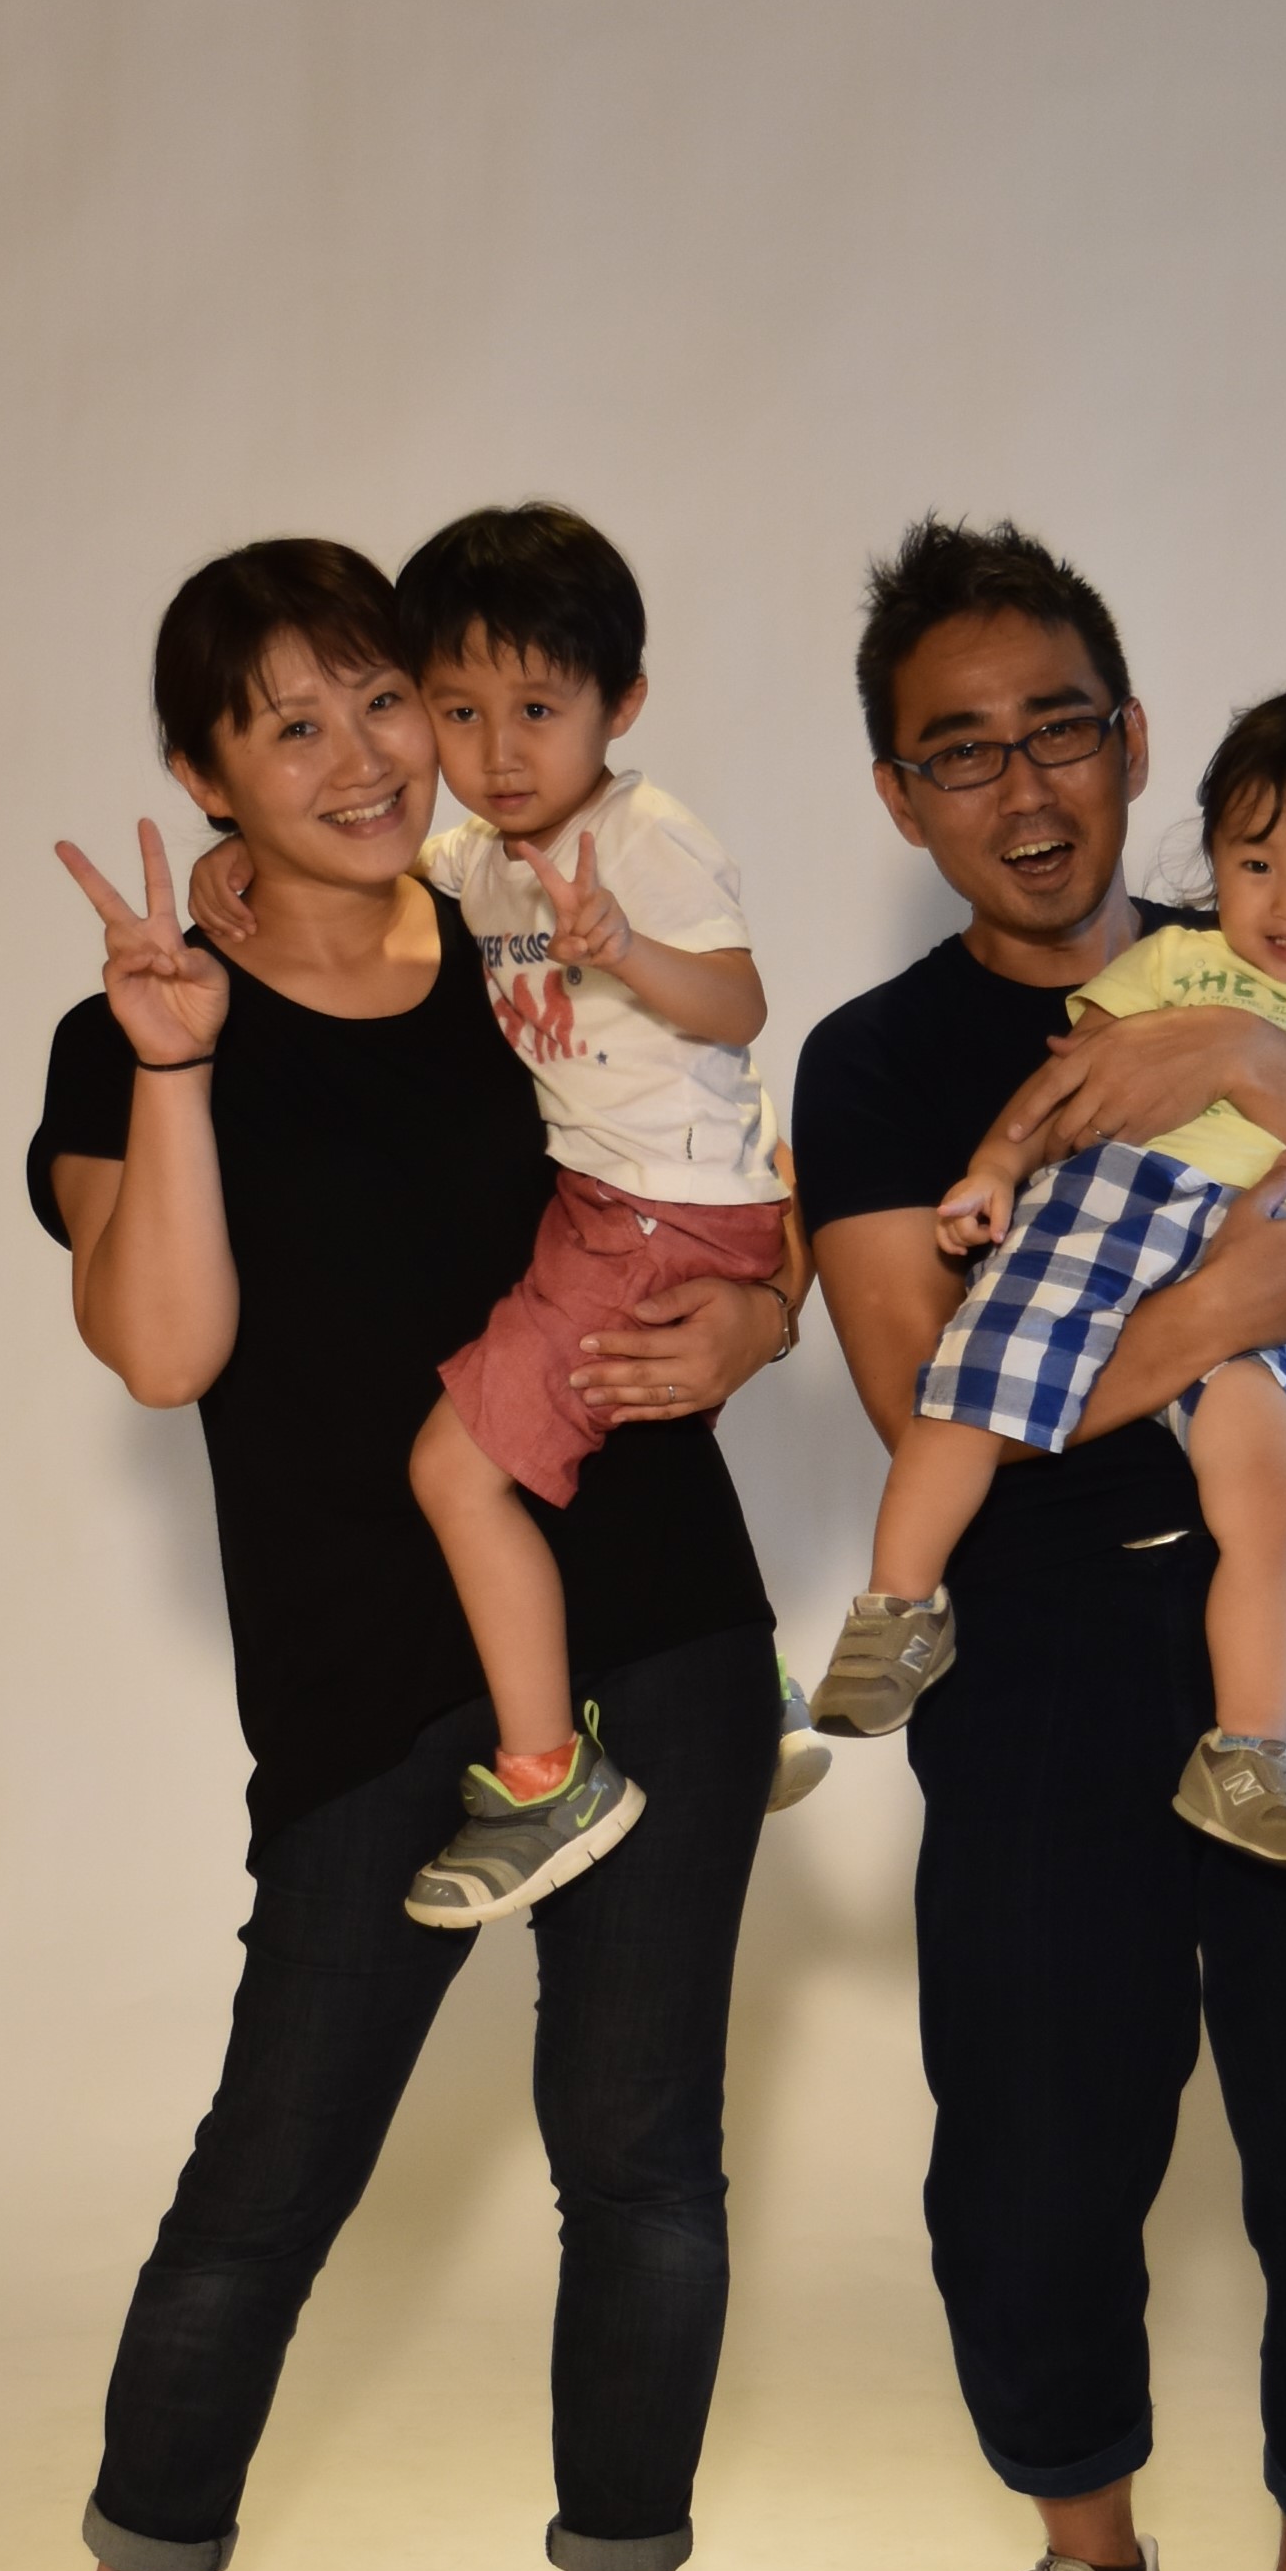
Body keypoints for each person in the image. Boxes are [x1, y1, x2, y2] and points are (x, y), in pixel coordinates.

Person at [19, 536, 802, 2571]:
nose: (369, 758)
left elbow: (705, 1170)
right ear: (206, 773)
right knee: (276, 2163)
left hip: (644, 1610)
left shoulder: (517, 926)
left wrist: (753, 1327)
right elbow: (164, 1349)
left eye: (390, 701)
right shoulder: (130, 1020)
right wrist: (178, 1065)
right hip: (369, 1671)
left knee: (640, 2156)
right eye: (294, 726)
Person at [792, 518, 1286, 2571]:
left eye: (1061, 729)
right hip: (1035, 1648)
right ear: (897, 791)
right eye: (959, 748)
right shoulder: (880, 1064)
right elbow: (923, 1401)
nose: (1023, 784)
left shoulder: (1279, 961)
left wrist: (1243, 1056)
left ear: (1132, 742)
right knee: (1026, 2144)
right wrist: (1210, 1311)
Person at [810, 663, 1286, 1879]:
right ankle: (899, 1606)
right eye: (1255, 863)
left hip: (1258, 1255)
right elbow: (1063, 1083)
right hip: (1104, 1215)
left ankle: (1247, 1748)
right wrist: (996, 1166)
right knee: (966, 1390)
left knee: (1273, 1495)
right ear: (1212, 860)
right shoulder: (1174, 963)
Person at [191, 503, 808, 1929]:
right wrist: (236, 861)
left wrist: (626, 948)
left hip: (659, 1211)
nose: (497, 749)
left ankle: (545, 1781)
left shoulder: (643, 835)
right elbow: (368, 866)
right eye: (457, 710)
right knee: (593, 1429)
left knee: (456, 1469)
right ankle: (751, 1694)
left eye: (537, 709)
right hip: (617, 1203)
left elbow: (741, 1007)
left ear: (621, 703)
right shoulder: (481, 857)